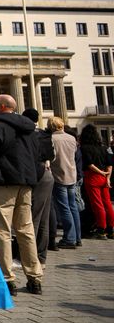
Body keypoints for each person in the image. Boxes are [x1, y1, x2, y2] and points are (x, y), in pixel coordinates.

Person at [0, 94, 43, 296]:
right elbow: (37, 156)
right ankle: (35, 277)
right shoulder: (30, 129)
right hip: (26, 183)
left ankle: (7, 278)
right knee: (25, 230)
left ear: (1, 107)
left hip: (3, 183)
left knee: (1, 231)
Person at [22, 108, 56, 265]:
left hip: (36, 174)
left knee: (33, 216)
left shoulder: (27, 134)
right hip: (47, 174)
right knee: (44, 217)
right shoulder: (44, 134)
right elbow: (50, 156)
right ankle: (41, 255)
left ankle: (30, 257)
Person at [49, 117, 81, 248]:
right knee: (73, 207)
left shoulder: (52, 139)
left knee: (64, 208)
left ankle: (70, 238)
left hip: (59, 175)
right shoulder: (71, 138)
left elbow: (52, 157)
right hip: (71, 174)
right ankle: (77, 236)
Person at [80, 124, 113, 239]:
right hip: (104, 177)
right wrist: (107, 177)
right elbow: (110, 164)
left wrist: (100, 172)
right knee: (107, 203)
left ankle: (101, 229)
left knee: (97, 204)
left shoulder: (84, 148)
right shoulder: (104, 147)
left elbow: (90, 165)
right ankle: (111, 228)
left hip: (92, 177)